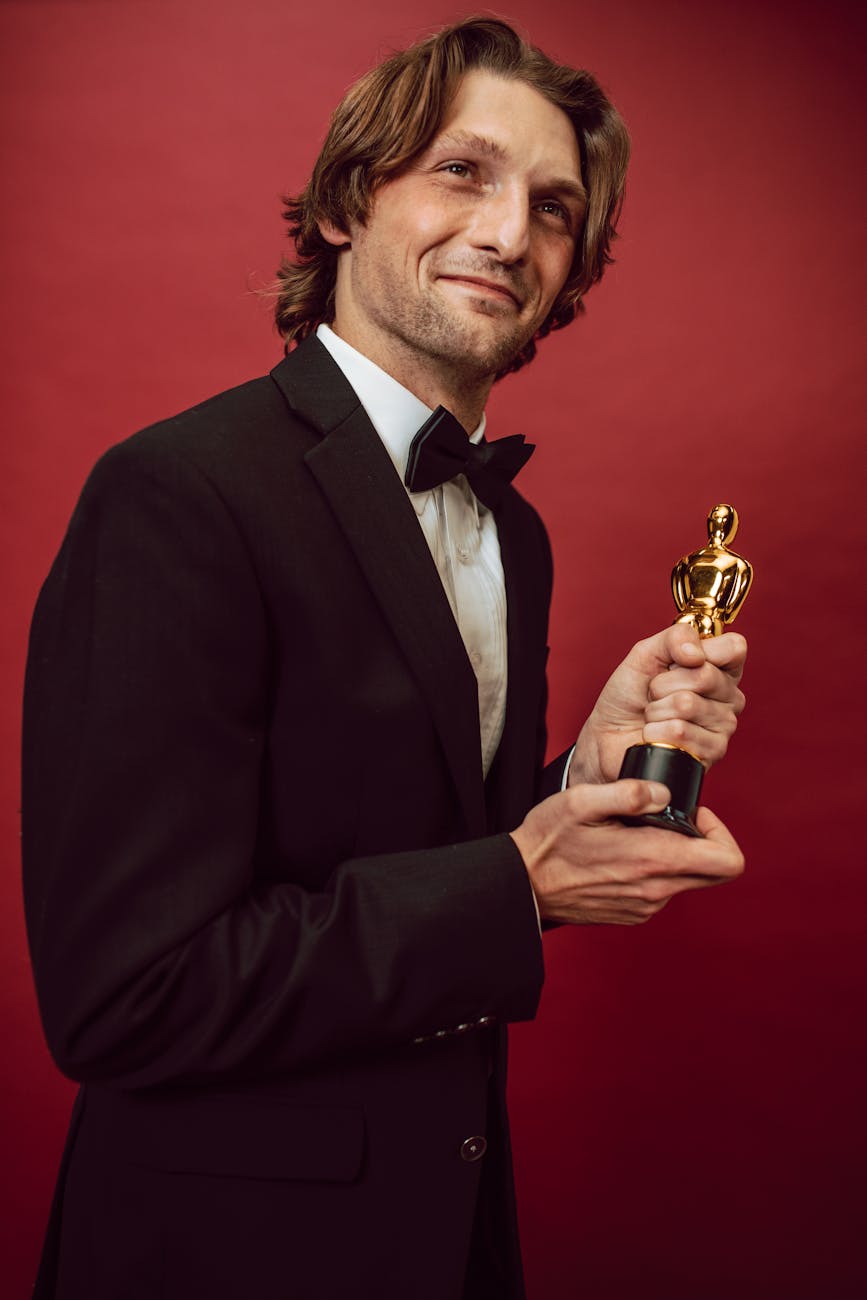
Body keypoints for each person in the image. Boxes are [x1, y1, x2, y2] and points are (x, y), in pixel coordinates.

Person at [22, 17, 747, 1300]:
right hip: (220, 1259)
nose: (510, 234)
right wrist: (524, 884)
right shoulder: (174, 493)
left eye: (554, 207)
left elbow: (415, 844)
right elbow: (125, 993)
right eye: (463, 172)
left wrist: (586, 762)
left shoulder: (511, 533)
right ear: (354, 198)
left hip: (450, 1233)